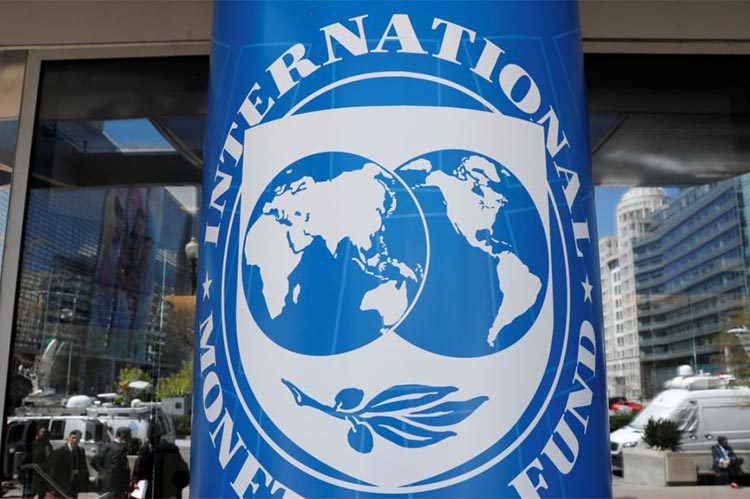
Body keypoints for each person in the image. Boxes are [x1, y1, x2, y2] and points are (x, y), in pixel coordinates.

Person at [132, 425, 189, 498]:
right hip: (152, 492)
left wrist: (176, 489)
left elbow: (182, 473)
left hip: (165, 492)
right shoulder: (144, 450)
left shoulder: (170, 450)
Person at [50, 430, 90, 498]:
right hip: (64, 480)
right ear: (69, 438)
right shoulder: (60, 451)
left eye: (77, 439)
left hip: (75, 481)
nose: (75, 440)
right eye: (73, 438)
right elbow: (54, 468)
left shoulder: (80, 451)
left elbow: (84, 466)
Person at [96, 427, 131, 499]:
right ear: (122, 435)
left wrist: (103, 472)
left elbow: (95, 460)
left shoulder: (108, 446)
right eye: (128, 436)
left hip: (106, 484)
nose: (129, 438)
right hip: (116, 487)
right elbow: (118, 469)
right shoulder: (120, 449)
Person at [30, 426, 53, 498]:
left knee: (43, 490)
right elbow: (32, 455)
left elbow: (50, 456)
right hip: (37, 468)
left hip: (45, 469)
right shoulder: (35, 443)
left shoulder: (48, 444)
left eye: (44, 432)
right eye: (42, 432)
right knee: (34, 488)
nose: (43, 433)